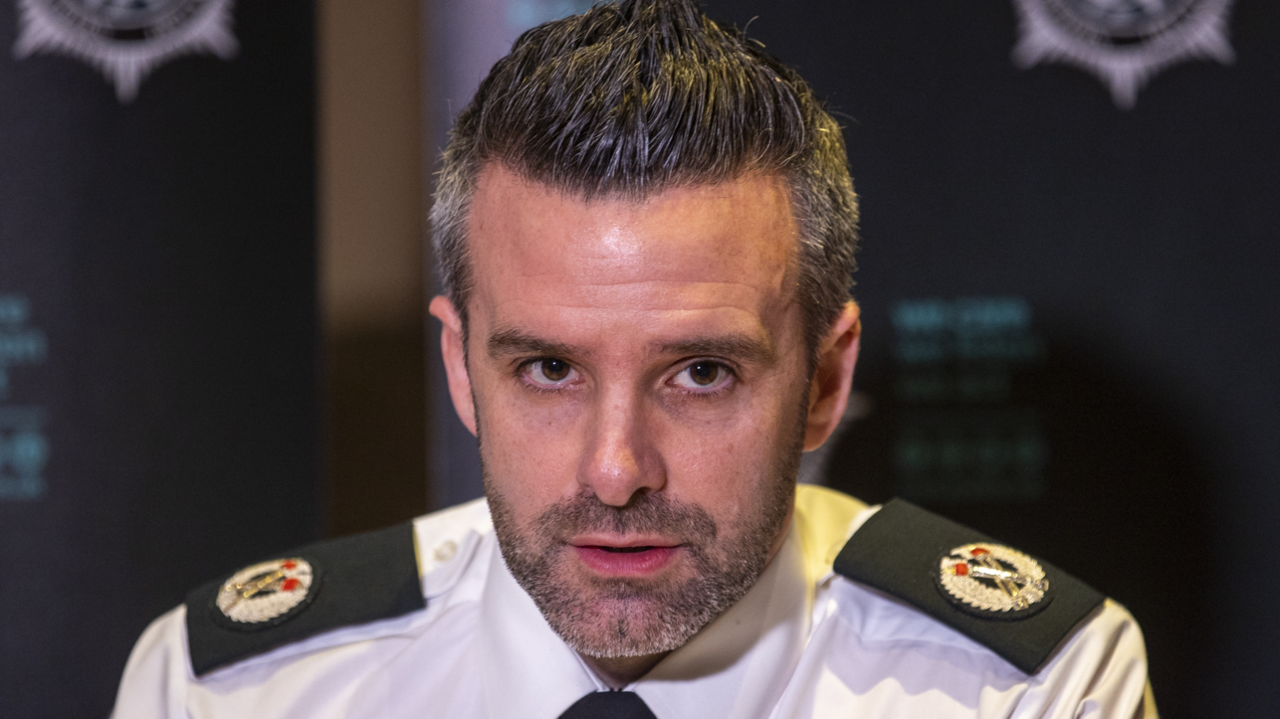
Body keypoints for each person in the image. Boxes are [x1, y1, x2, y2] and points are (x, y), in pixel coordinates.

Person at [111, 1, 1155, 716]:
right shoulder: (230, 689)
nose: (614, 470)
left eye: (700, 372)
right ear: (460, 367)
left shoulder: (1030, 687)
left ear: (824, 381)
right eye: (548, 370)